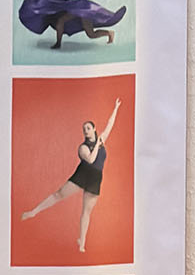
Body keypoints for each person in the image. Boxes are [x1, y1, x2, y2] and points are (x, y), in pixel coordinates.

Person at [22, 98, 121, 252]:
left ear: (94, 128)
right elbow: (91, 159)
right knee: (58, 194)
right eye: (84, 129)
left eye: (88, 128)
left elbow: (110, 125)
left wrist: (115, 108)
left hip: (95, 178)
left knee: (86, 212)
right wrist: (98, 144)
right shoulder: (82, 148)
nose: (85, 131)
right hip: (83, 174)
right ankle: (33, 212)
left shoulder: (101, 139)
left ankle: (82, 243)